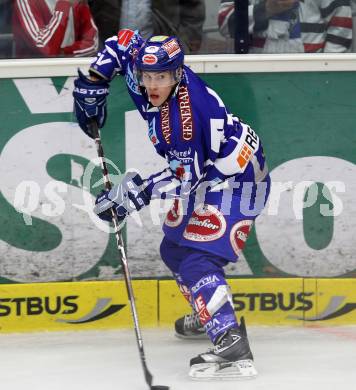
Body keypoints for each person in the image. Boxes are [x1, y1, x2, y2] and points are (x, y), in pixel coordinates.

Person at [73, 29, 270, 379]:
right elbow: (122, 43)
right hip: (211, 171)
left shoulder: (183, 120)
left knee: (196, 257)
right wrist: (94, 80)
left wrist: (135, 193)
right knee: (173, 250)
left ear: (178, 73)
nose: (152, 85)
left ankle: (228, 336)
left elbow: (186, 181)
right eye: (147, 76)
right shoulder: (144, 67)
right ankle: (208, 308)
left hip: (236, 180)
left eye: (161, 77)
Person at [219, 0, 353, 53]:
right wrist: (267, 9)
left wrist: (325, 74)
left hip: (311, 78)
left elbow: (340, 30)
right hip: (255, 75)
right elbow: (225, 23)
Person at [13, 0, 98, 58]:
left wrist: (64, 54)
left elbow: (93, 43)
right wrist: (64, 4)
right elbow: (45, 48)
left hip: (71, 68)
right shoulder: (26, 2)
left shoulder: (78, 3)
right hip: (32, 74)